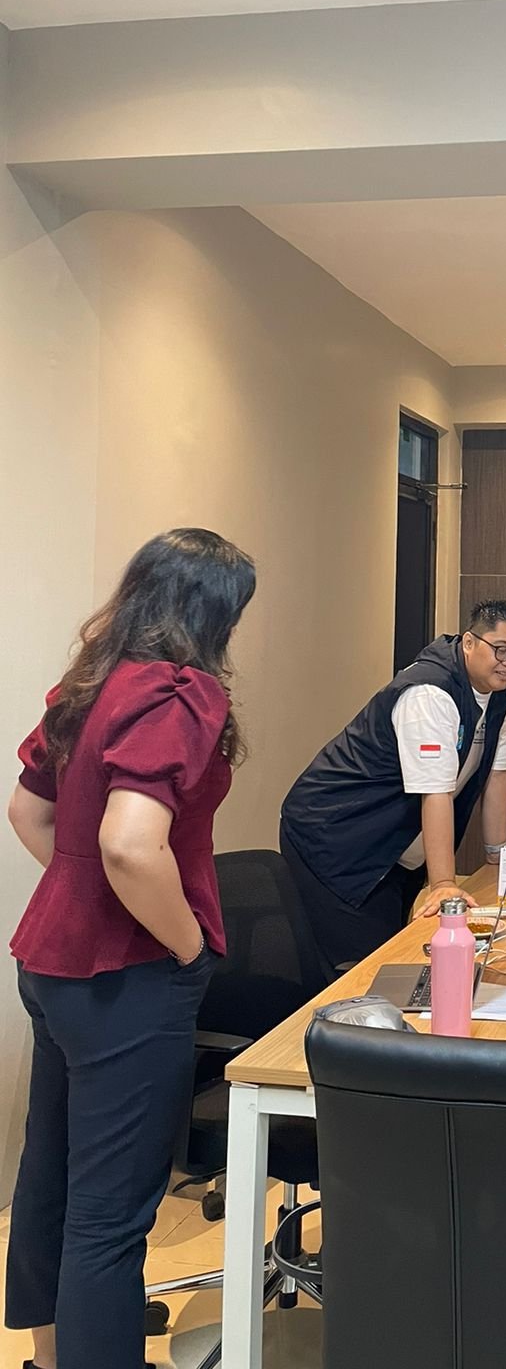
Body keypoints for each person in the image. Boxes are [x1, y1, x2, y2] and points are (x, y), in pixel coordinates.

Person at [5, 528, 257, 1369]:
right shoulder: (179, 695)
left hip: (51, 965)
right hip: (128, 979)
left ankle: (49, 1357)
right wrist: (184, 946)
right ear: (215, 615)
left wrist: (82, 892)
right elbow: (128, 843)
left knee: (52, 1180)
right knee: (109, 1216)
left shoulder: (91, 684)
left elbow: (29, 812)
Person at [280, 600, 506, 975]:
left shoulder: (502, 697)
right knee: (366, 968)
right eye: (501, 650)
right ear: (468, 642)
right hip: (337, 836)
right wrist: (443, 884)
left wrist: (498, 858)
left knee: (397, 957)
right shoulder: (430, 693)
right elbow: (436, 791)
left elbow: (498, 774)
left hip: (395, 845)